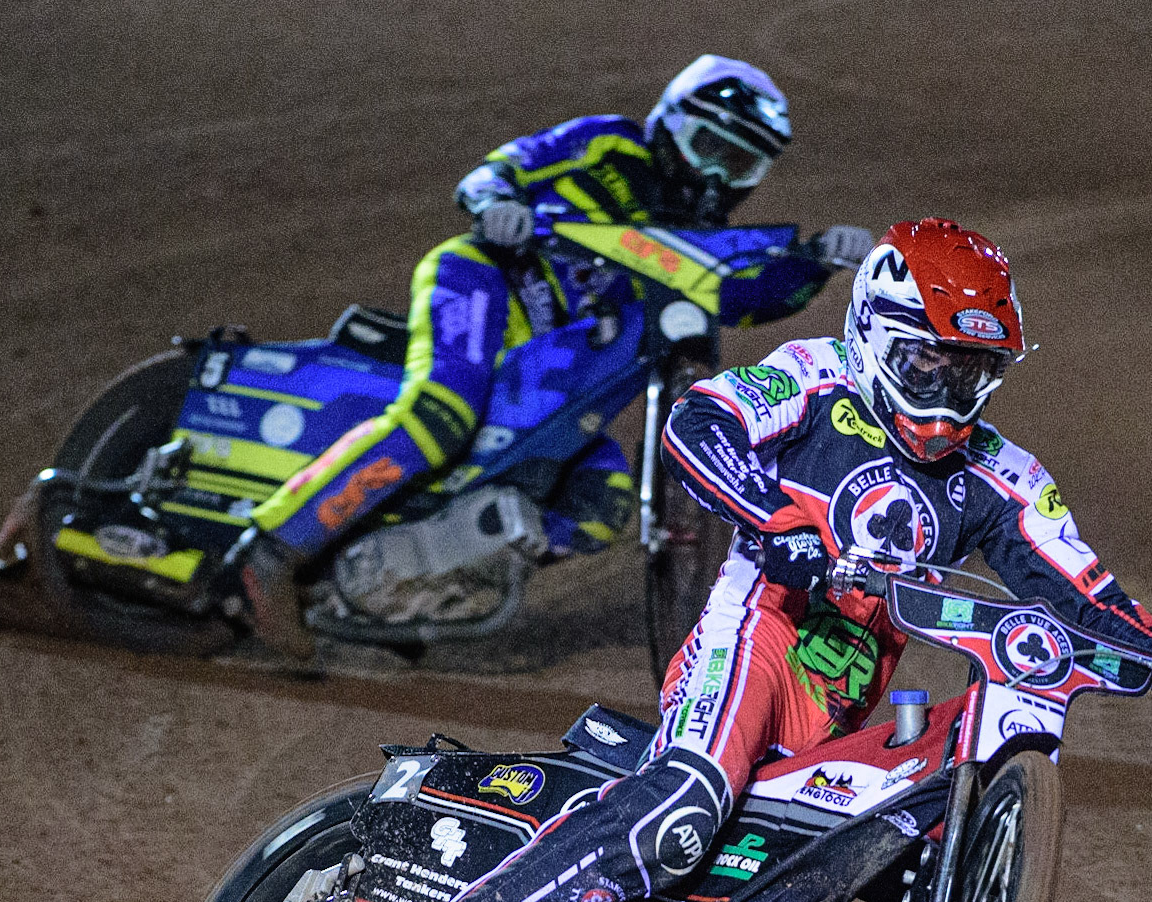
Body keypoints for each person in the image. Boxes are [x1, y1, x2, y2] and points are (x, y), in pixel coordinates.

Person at [340, 217, 1152, 902]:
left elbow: (1083, 592)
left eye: (969, 372)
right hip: (756, 640)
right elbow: (698, 422)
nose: (945, 394)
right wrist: (774, 519)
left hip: (841, 699)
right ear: (871, 327)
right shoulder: (813, 375)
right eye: (925, 363)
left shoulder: (1002, 474)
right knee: (682, 810)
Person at [238, 56, 876, 649]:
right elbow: (500, 169)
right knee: (442, 413)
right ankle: (273, 549)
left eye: (740, 166)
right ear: (672, 123)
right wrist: (497, 205)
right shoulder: (609, 143)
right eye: (709, 148)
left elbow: (747, 299)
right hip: (486, 283)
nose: (715, 176)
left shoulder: (702, 244)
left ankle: (416, 574)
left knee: (600, 502)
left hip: (552, 369)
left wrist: (816, 262)